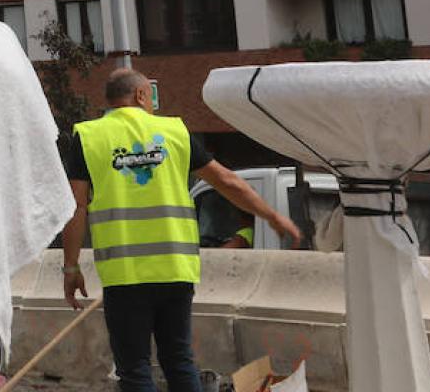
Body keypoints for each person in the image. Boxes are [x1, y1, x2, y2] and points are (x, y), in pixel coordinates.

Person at [61, 67, 302, 392]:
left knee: (134, 368)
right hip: (176, 269)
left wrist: (71, 266)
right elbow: (227, 181)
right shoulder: (174, 132)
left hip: (125, 274)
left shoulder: (89, 137)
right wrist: (271, 216)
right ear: (141, 95)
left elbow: (76, 206)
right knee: (178, 359)